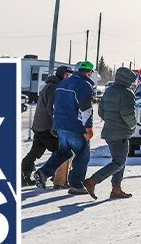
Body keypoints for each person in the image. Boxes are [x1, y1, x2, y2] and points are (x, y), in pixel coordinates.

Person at [35, 60, 96, 196]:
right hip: (75, 126)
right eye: (91, 72)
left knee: (64, 152)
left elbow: (55, 105)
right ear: (89, 72)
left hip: (60, 125)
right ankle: (76, 185)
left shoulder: (63, 83)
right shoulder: (84, 85)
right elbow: (86, 109)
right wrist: (89, 128)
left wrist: (56, 124)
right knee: (82, 154)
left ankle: (43, 173)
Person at [84, 67, 139, 199]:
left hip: (109, 130)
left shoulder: (109, 91)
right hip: (120, 132)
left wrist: (110, 120)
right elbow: (128, 114)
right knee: (118, 163)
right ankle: (92, 181)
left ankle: (116, 189)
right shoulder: (127, 93)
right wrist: (133, 126)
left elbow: (101, 112)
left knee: (120, 161)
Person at [22, 65, 70, 184]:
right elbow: (51, 108)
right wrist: (58, 123)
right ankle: (55, 177)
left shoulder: (50, 85)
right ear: (62, 75)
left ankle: (24, 176)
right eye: (67, 75)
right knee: (61, 152)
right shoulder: (54, 87)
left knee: (35, 152)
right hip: (47, 127)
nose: (69, 77)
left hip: (40, 125)